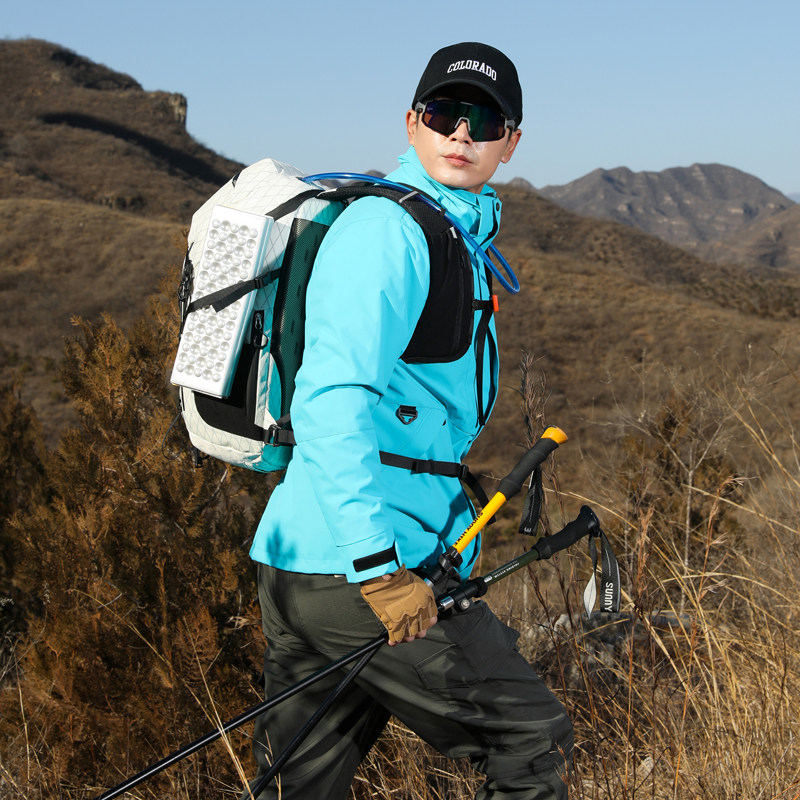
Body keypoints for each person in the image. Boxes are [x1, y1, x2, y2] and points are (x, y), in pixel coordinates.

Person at [247, 42, 574, 799]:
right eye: (444, 114)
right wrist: (378, 567)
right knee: (529, 736)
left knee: (302, 786)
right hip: (359, 567)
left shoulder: (449, 232)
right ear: (412, 123)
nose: (463, 134)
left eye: (484, 120)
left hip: (308, 553)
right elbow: (331, 396)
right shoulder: (391, 232)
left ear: (511, 142)